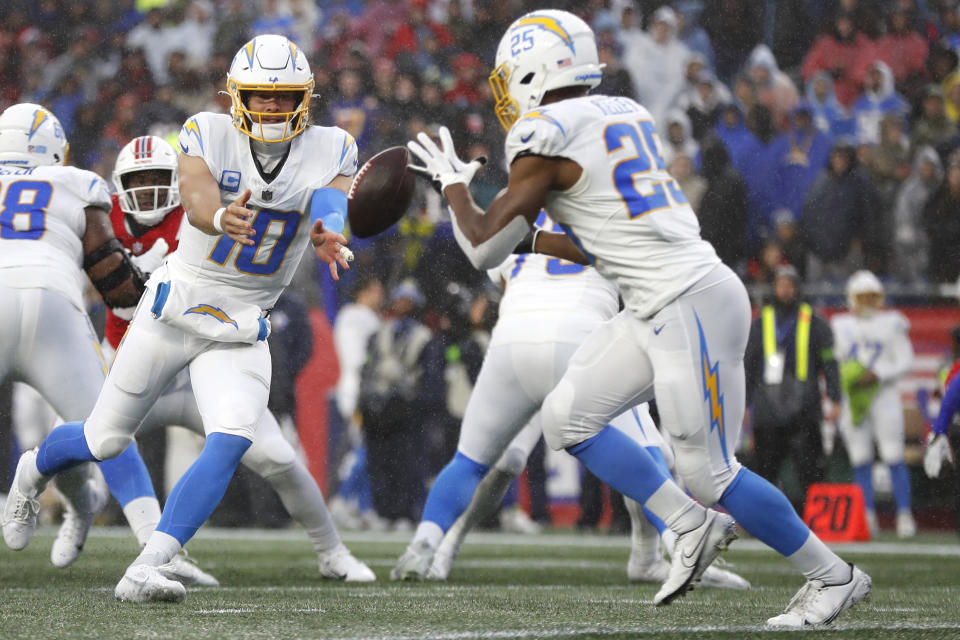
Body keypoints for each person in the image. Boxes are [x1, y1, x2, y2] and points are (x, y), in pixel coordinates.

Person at [409, 10, 870, 625]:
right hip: (666, 298)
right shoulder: (626, 111)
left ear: (533, 71)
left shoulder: (544, 130)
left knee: (709, 473)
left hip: (684, 301)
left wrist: (452, 186)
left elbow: (482, 248)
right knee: (566, 416)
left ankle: (831, 575)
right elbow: (604, 236)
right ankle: (686, 526)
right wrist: (534, 239)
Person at [3, 35, 358, 603]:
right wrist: (219, 214)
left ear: (306, 98)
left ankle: (148, 564)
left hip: (243, 322)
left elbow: (332, 199)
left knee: (233, 435)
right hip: (177, 305)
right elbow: (194, 194)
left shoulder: (334, 146)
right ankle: (31, 470)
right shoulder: (207, 130)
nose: (271, 108)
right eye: (261, 98)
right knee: (103, 437)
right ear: (237, 97)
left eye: (284, 96)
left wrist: (330, 231)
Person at [391, 212, 746, 596]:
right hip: (580, 340)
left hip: (515, 345)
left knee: (483, 462)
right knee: (651, 450)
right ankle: (676, 547)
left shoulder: (521, 216)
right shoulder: (612, 213)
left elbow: (502, 279)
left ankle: (430, 546)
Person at [100, 135, 374, 580]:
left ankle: (332, 551)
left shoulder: (210, 207)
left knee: (277, 457)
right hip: (155, 358)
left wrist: (325, 221)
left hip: (211, 362)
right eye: (138, 181)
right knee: (95, 437)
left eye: (159, 180)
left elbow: (308, 204)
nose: (149, 191)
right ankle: (42, 483)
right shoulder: (109, 221)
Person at [0, 103, 171, 574]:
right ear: (56, 149)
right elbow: (108, 270)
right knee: (107, 432)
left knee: (93, 433)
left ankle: (84, 506)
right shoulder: (75, 181)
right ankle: (152, 548)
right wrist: (142, 290)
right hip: (55, 307)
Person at [745, 266, 841, 512]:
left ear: (797, 288)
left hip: (804, 407)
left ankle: (813, 519)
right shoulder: (760, 322)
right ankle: (762, 520)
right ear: (774, 288)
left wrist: (835, 398)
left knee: (810, 471)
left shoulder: (815, 321)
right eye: (780, 284)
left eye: (789, 284)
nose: (785, 289)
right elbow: (748, 366)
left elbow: (829, 363)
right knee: (765, 471)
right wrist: (745, 404)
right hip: (768, 407)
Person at [832, 270, 916, 537]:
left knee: (893, 455)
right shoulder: (840, 324)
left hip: (884, 395)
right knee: (860, 459)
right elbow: (835, 361)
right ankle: (866, 517)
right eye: (862, 297)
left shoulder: (892, 322)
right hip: (854, 397)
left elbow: (906, 360)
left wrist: (879, 374)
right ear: (852, 298)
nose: (867, 303)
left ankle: (904, 515)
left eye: (872, 297)